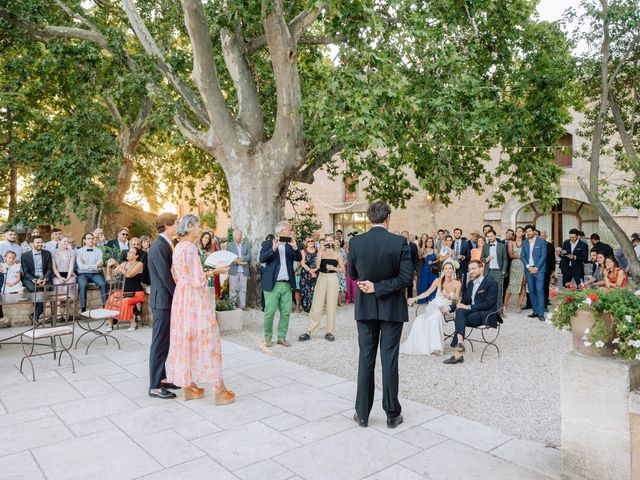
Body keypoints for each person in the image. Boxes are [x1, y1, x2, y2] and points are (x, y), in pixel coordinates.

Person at [348, 200, 413, 428]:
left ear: (369, 218)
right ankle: (392, 414)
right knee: (389, 360)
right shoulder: (399, 242)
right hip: (392, 308)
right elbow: (406, 279)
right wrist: (381, 287)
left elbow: (353, 273)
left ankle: (362, 414)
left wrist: (373, 286)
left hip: (366, 307)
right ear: (388, 218)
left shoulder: (356, 242)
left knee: (366, 359)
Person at [165, 215, 234, 404]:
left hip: (182, 298)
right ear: (188, 226)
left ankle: (190, 386)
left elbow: (176, 275)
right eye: (197, 226)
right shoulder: (190, 248)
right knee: (208, 336)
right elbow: (198, 279)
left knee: (186, 336)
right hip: (194, 297)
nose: (199, 229)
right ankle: (219, 389)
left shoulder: (178, 247)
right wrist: (216, 272)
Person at [148, 213, 180, 400]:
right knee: (159, 343)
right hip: (162, 302)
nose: (178, 225)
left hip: (165, 301)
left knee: (165, 342)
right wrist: (180, 295)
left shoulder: (166, 243)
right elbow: (165, 277)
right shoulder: (159, 246)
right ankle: (154, 386)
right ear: (168, 225)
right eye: (176, 223)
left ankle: (163, 378)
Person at [444, 260, 499, 364]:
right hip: (471, 314)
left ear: (481, 268)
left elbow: (489, 304)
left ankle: (458, 353)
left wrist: (468, 307)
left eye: (474, 268)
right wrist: (450, 307)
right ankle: (460, 345)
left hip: (484, 314)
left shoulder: (491, 283)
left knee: (460, 319)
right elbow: (464, 301)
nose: (472, 271)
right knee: (460, 312)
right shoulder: (470, 284)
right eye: (470, 269)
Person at [402, 263, 461, 355]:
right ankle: (428, 345)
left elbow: (457, 299)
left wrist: (449, 297)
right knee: (421, 319)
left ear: (453, 270)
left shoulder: (457, 283)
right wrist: (414, 298)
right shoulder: (438, 280)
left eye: (450, 268)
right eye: (446, 268)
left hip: (446, 308)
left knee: (436, 315)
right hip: (434, 305)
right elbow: (427, 293)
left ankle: (436, 347)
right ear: (443, 271)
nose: (448, 270)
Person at [259, 221, 301, 347]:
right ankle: (267, 337)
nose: (291, 232)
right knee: (270, 312)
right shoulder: (268, 243)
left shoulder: (290, 245)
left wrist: (294, 247)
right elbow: (262, 259)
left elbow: (298, 258)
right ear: (282, 231)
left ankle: (281, 337)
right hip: (272, 284)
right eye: (289, 229)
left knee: (286, 313)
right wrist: (273, 248)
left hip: (287, 284)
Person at [299, 235, 344, 342]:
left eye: (330, 241)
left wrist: (333, 268)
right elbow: (317, 264)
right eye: (326, 241)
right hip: (322, 278)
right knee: (316, 303)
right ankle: (309, 330)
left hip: (333, 279)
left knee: (331, 305)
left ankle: (329, 331)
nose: (328, 242)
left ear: (333, 242)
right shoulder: (321, 252)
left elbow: (343, 269)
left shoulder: (337, 254)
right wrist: (320, 251)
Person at [105, 247, 146, 332]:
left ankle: (133, 323)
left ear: (136, 256)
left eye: (131, 252)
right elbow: (110, 275)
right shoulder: (124, 264)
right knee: (110, 300)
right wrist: (109, 266)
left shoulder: (139, 264)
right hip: (123, 292)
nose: (128, 253)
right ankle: (110, 324)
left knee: (125, 301)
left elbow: (128, 274)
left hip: (136, 293)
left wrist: (117, 264)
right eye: (128, 252)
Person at [20, 236, 53, 323]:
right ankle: (35, 316)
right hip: (30, 278)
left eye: (41, 242)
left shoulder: (47, 253)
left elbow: (49, 268)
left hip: (44, 277)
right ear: (31, 244)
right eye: (38, 242)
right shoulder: (25, 256)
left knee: (48, 290)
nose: (40, 244)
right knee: (36, 291)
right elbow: (26, 272)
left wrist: (45, 278)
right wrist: (35, 280)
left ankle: (34, 315)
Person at [521, 225, 547, 321]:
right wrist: (528, 267)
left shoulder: (541, 241)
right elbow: (522, 256)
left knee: (539, 290)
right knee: (531, 291)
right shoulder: (525, 242)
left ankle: (541, 313)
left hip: (539, 270)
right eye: (527, 231)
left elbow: (543, 256)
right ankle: (535, 311)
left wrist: (536, 268)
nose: (528, 233)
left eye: (530, 231)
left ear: (534, 231)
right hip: (528, 270)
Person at [76, 233, 108, 312]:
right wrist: (95, 266)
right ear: (84, 240)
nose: (91, 240)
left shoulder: (98, 251)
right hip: (82, 274)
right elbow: (81, 266)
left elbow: (100, 265)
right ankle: (83, 309)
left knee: (103, 284)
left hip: (95, 274)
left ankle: (105, 306)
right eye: (88, 238)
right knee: (83, 285)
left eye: (92, 238)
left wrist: (90, 266)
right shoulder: (79, 251)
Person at [481, 230, 507, 312]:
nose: (490, 238)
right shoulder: (485, 246)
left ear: (495, 236)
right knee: (487, 291)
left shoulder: (502, 246)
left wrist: (503, 271)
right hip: (488, 272)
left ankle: (498, 311)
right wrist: (486, 259)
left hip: (498, 272)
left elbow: (505, 259)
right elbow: (482, 258)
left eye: (491, 236)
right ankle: (489, 309)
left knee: (499, 291)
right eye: (488, 236)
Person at [226, 229, 251, 309]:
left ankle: (242, 306)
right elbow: (227, 256)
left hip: (244, 270)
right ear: (233, 236)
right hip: (233, 269)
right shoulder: (229, 245)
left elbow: (249, 256)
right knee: (233, 289)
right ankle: (232, 306)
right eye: (237, 234)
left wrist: (241, 259)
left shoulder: (246, 245)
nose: (239, 236)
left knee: (243, 289)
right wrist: (235, 260)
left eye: (240, 234)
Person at [504, 227, 526, 312]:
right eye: (517, 231)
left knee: (523, 284)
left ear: (523, 233)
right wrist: (522, 257)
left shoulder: (526, 243)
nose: (519, 232)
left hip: (524, 265)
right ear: (515, 233)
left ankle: (519, 305)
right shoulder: (511, 242)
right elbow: (511, 255)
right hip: (514, 265)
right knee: (511, 284)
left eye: (520, 231)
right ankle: (505, 305)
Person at [299, 238, 318, 313]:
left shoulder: (317, 250)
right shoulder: (303, 251)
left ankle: (314, 307)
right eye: (308, 241)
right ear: (306, 243)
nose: (310, 242)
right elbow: (303, 263)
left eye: (312, 241)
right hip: (306, 273)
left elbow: (319, 262)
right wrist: (311, 271)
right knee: (305, 290)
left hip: (315, 272)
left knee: (314, 290)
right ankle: (306, 307)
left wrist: (315, 270)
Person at [416, 237, 438, 303]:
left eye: (431, 241)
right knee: (423, 284)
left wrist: (433, 262)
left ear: (432, 243)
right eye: (428, 241)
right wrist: (423, 256)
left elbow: (438, 259)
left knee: (432, 284)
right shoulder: (422, 249)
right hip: (424, 269)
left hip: (432, 270)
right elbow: (418, 258)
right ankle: (422, 300)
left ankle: (431, 299)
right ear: (426, 242)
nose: (429, 243)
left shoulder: (435, 250)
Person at [344, 239, 357, 304]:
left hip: (353, 268)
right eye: (346, 243)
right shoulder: (343, 251)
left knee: (354, 284)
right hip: (346, 269)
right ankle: (348, 299)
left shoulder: (354, 250)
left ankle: (354, 298)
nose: (347, 245)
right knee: (348, 284)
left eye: (348, 243)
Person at [337, 241, 348, 306]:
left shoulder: (342, 251)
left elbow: (346, 260)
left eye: (338, 242)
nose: (337, 243)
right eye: (336, 242)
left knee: (340, 287)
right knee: (334, 287)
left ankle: (340, 301)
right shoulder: (331, 250)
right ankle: (334, 302)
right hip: (333, 270)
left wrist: (341, 265)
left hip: (340, 270)